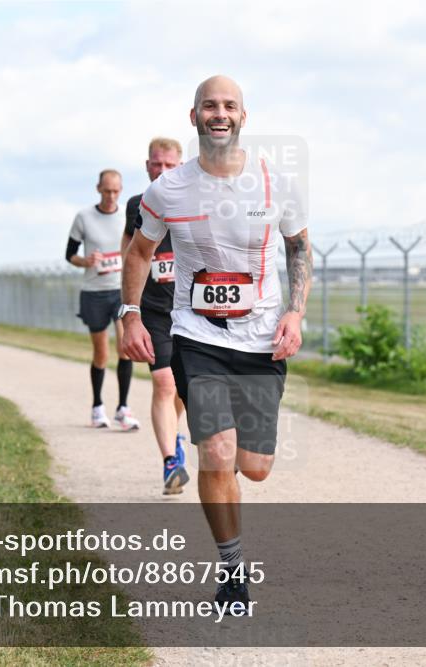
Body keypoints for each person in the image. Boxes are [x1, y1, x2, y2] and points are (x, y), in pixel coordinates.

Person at [121, 75, 311, 606]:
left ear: (244, 117)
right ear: (194, 116)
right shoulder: (168, 189)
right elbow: (139, 252)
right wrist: (130, 314)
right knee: (217, 451)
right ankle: (232, 570)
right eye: (210, 105)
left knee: (254, 466)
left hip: (261, 338)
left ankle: (229, 480)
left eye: (229, 105)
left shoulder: (277, 184)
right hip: (196, 333)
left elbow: (298, 249)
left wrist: (294, 314)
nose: (219, 113)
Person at [121, 137, 190, 495]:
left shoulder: (196, 201)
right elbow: (128, 251)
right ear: (147, 165)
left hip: (190, 311)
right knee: (164, 383)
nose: (162, 172)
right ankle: (170, 463)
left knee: (181, 385)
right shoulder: (137, 204)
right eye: (156, 165)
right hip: (154, 313)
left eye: (169, 166)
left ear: (181, 165)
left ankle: (175, 437)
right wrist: (128, 310)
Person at [67, 170, 141, 431]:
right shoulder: (84, 217)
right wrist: (85, 261)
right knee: (101, 353)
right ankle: (98, 407)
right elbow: (70, 254)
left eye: (115, 191)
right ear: (98, 188)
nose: (111, 196)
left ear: (121, 190)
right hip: (94, 292)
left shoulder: (127, 215)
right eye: (106, 190)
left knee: (125, 348)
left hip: (119, 291)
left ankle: (123, 408)